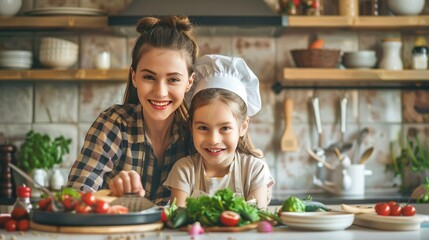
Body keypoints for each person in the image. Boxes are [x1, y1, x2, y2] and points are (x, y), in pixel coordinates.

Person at [66, 16, 199, 205]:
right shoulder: (114, 124)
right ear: (134, 77)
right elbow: (73, 198)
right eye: (149, 77)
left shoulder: (196, 133)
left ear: (189, 82)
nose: (160, 92)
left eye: (173, 79)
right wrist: (110, 194)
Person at [163, 54, 275, 209]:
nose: (214, 139)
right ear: (191, 126)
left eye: (225, 128)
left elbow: (256, 218)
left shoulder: (254, 170)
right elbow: (178, 217)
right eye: (203, 128)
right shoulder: (183, 170)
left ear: (243, 127)